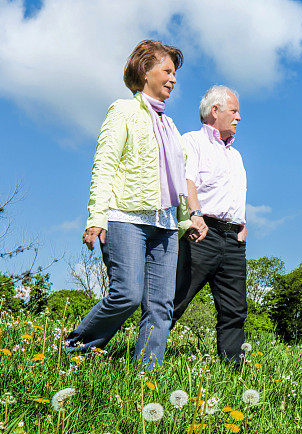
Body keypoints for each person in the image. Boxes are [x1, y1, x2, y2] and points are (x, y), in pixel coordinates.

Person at [65, 40, 206, 367]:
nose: (173, 79)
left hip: (165, 226)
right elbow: (105, 164)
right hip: (125, 218)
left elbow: (177, 178)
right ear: (145, 71)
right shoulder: (123, 110)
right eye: (167, 71)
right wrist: (96, 217)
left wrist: (187, 219)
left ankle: (146, 377)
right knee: (126, 294)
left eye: (175, 73)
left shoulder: (170, 126)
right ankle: (72, 350)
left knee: (160, 305)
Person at [173, 85, 247, 364]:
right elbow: (187, 180)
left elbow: (235, 195)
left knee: (235, 308)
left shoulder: (236, 156)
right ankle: (145, 358)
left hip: (233, 240)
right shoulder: (192, 141)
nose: (239, 117)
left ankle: (233, 370)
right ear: (214, 111)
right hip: (202, 233)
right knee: (176, 299)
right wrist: (195, 214)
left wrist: (243, 224)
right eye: (234, 110)